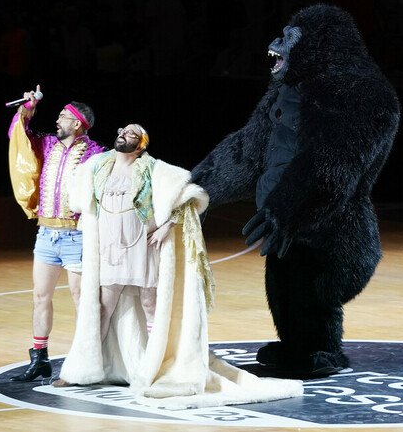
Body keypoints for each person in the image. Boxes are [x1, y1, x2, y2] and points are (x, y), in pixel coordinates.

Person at [51, 125, 302, 408]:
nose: (123, 134)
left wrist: (165, 227)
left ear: (141, 145)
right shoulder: (97, 167)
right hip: (110, 252)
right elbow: (78, 200)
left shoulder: (155, 170)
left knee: (151, 306)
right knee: (102, 309)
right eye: (123, 131)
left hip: (141, 248)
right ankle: (83, 370)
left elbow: (190, 196)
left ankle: (155, 367)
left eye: (131, 134)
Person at [7, 85, 105, 382]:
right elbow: (19, 137)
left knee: (81, 300)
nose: (57, 120)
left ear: (78, 123)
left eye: (63, 116)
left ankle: (87, 360)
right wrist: (27, 108)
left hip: (77, 237)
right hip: (46, 235)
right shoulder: (47, 144)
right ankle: (40, 359)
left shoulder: (96, 152)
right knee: (40, 297)